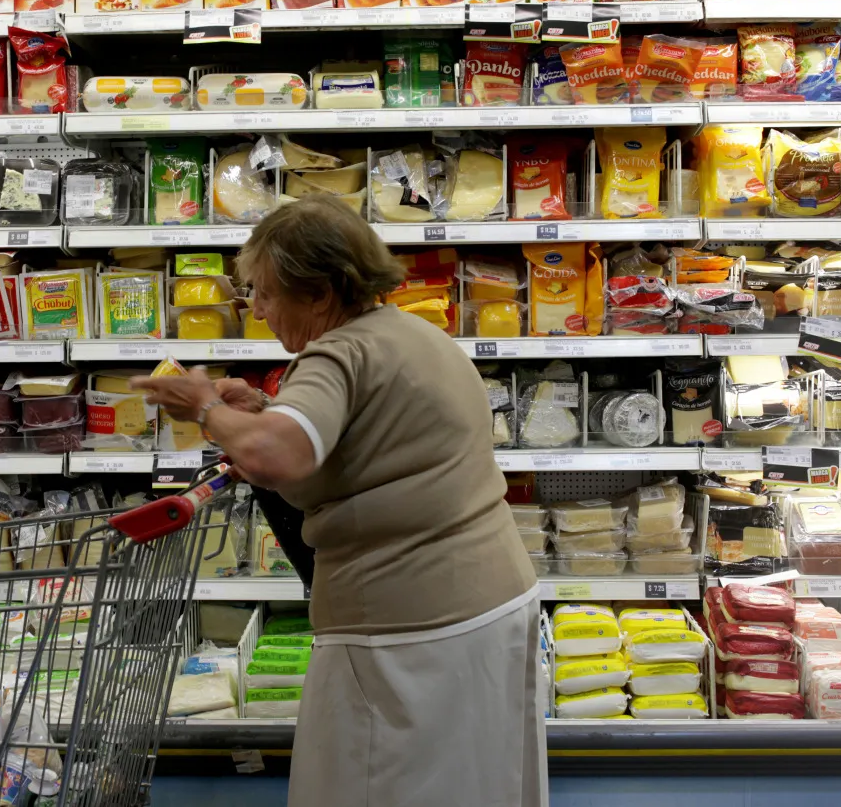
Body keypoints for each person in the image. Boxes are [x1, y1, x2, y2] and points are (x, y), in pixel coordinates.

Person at [133, 195, 545, 806]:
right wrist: (263, 414)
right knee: (476, 784)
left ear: (321, 292)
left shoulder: (336, 352)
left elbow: (278, 457)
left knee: (373, 785)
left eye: (267, 293)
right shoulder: (411, 334)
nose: (257, 309)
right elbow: (367, 445)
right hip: (489, 605)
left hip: (407, 632)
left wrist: (206, 407)